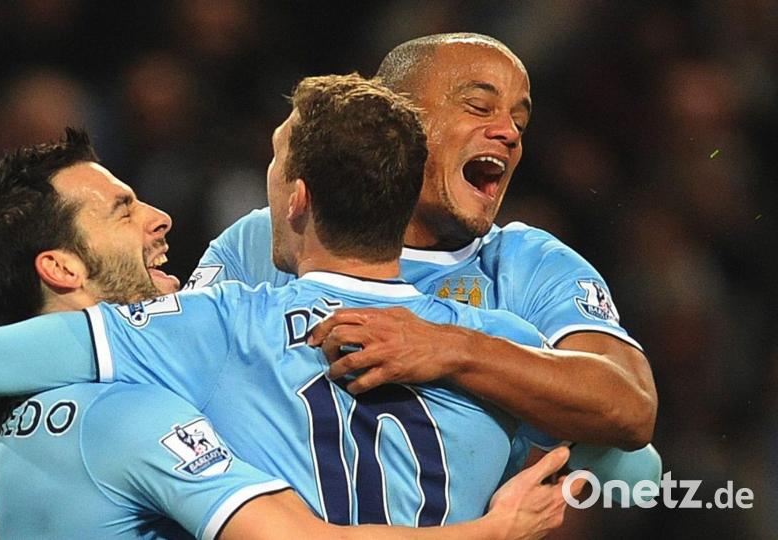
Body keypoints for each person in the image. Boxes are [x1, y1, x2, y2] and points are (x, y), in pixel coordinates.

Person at [0, 75, 590, 535]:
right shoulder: (125, 413)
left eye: (272, 172)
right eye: (124, 208)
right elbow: (623, 441)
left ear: (298, 200)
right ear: (59, 265)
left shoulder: (213, 332)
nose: (161, 218)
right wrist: (495, 528)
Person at [187, 33, 658, 453]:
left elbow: (631, 406)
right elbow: (169, 369)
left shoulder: (527, 264)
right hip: (271, 511)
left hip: (464, 517)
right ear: (398, 119)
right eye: (479, 106)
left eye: (520, 120)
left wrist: (454, 349)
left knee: (626, 472)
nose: (510, 133)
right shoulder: (268, 235)